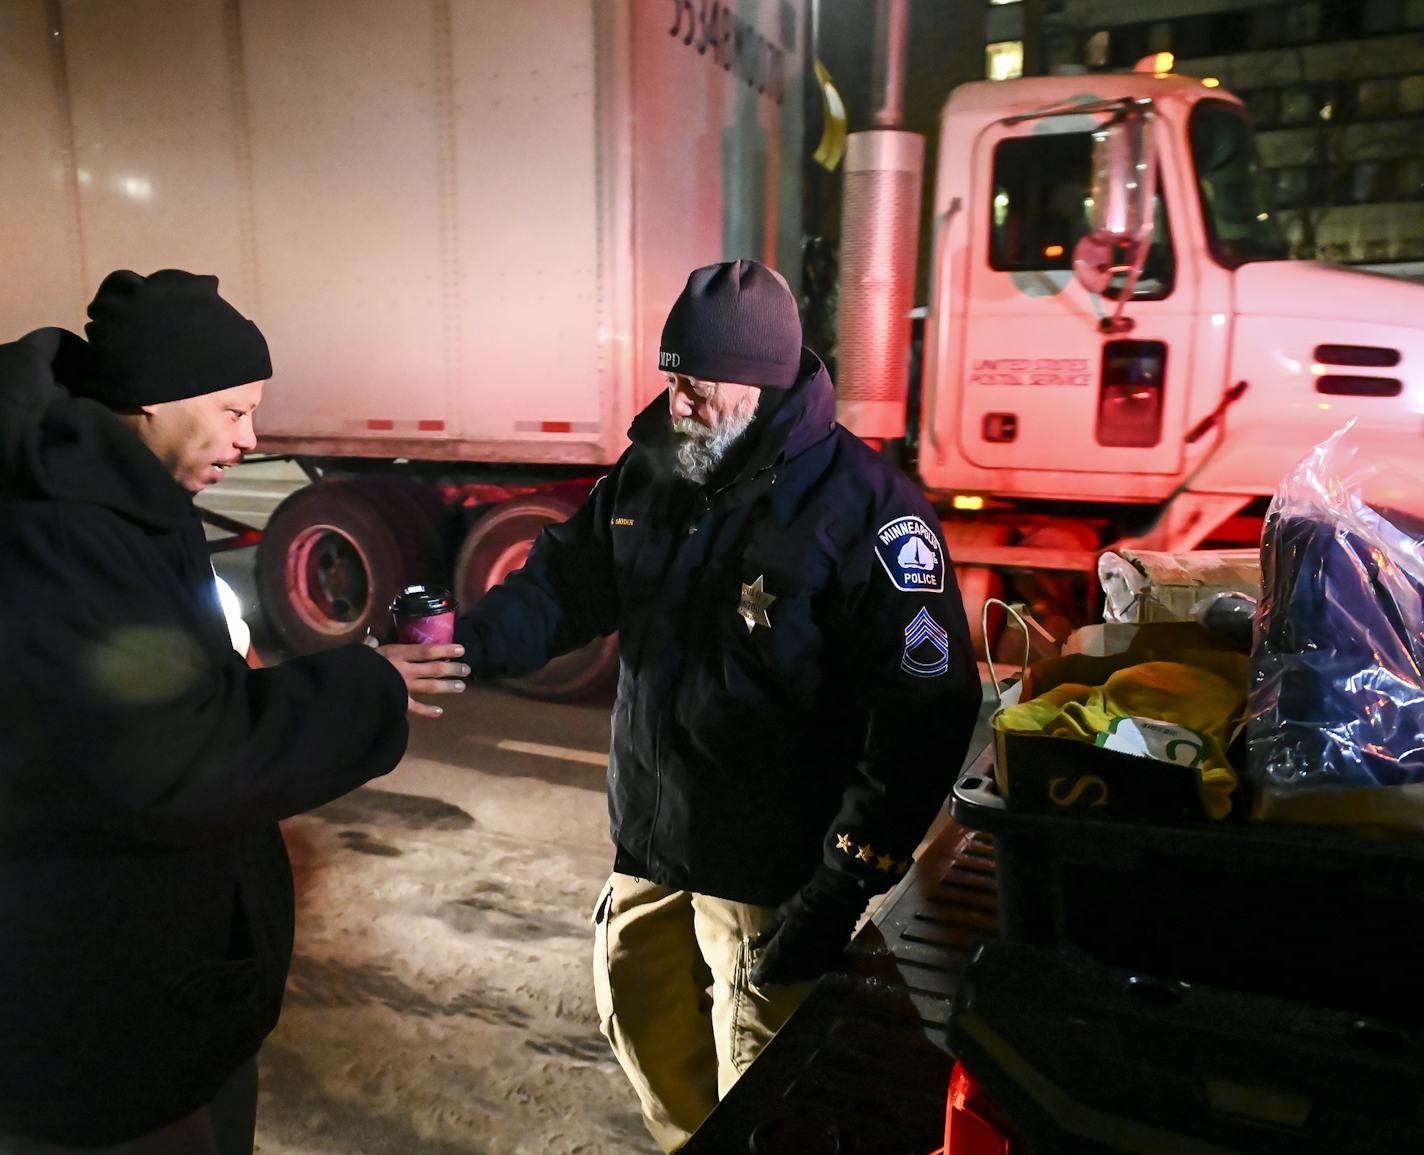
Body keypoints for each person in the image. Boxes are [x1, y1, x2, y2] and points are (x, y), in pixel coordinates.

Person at [453, 259, 981, 1150]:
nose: (676, 405)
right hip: (652, 851)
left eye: (694, 388)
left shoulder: (868, 512)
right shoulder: (653, 471)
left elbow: (925, 711)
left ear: (760, 384)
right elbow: (563, 588)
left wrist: (844, 878)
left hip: (771, 880)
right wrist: (462, 648)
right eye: (670, 382)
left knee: (764, 1100)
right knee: (652, 1052)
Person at [0, 270, 467, 1154]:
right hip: (101, 1041)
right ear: (150, 401)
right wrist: (369, 688)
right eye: (231, 410)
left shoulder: (131, 504)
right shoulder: (64, 534)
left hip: (165, 1012)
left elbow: (189, 702)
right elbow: (177, 758)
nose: (251, 438)